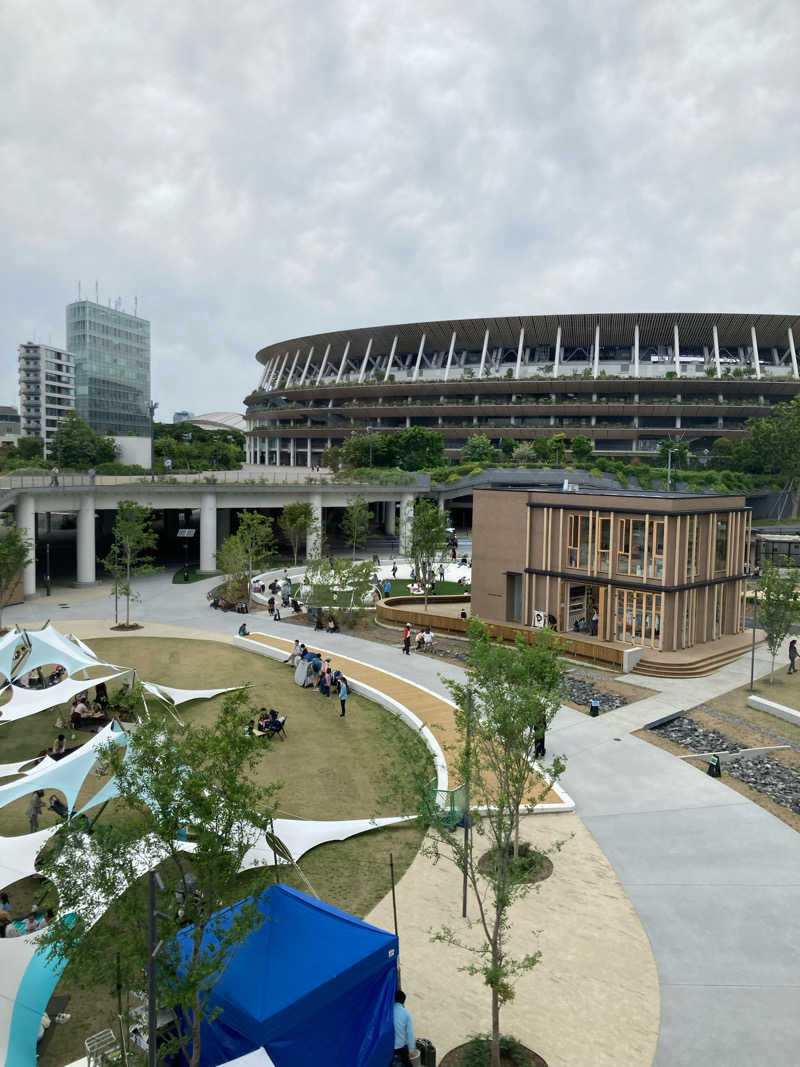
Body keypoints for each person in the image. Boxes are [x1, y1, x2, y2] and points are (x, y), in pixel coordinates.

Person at [393, 989, 415, 1065]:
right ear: (403, 1001)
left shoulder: (387, 1011)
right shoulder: (406, 1014)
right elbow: (410, 1033)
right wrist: (411, 1049)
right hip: (400, 1047)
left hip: (387, 1047)